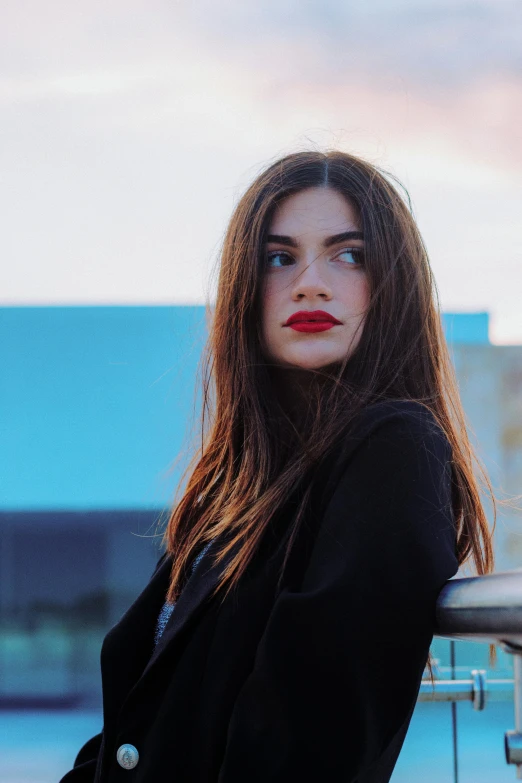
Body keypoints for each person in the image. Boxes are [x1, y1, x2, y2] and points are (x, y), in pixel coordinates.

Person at [59, 150, 494, 783]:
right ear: (245, 288)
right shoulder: (229, 490)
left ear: (392, 284)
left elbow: (307, 746)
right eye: (279, 257)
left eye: (349, 255)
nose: (310, 282)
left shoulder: (396, 447)